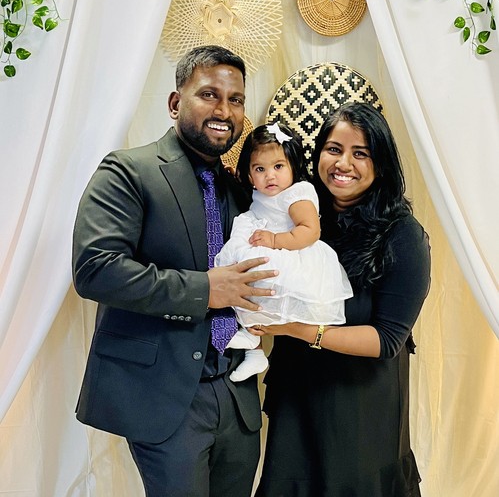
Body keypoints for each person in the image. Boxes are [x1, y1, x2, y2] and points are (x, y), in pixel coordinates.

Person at [72, 45, 279, 497]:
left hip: (237, 392)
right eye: (209, 94)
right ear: (174, 103)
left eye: (236, 99)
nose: (224, 110)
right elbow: (96, 268)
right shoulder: (128, 171)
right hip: (166, 397)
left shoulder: (242, 190)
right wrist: (205, 290)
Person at [252, 102, 431, 497]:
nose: (343, 163)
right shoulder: (299, 220)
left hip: (361, 409)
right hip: (298, 398)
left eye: (360, 153)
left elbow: (387, 340)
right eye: (334, 149)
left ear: (380, 164)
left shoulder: (402, 235)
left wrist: (299, 330)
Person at [216, 123, 352, 382]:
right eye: (260, 169)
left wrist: (275, 240)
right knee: (238, 278)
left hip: (290, 255)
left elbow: (310, 230)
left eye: (278, 166)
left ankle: (251, 337)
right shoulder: (260, 193)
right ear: (249, 174)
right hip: (264, 244)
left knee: (258, 280)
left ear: (293, 166)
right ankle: (254, 349)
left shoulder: (297, 194)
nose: (270, 176)